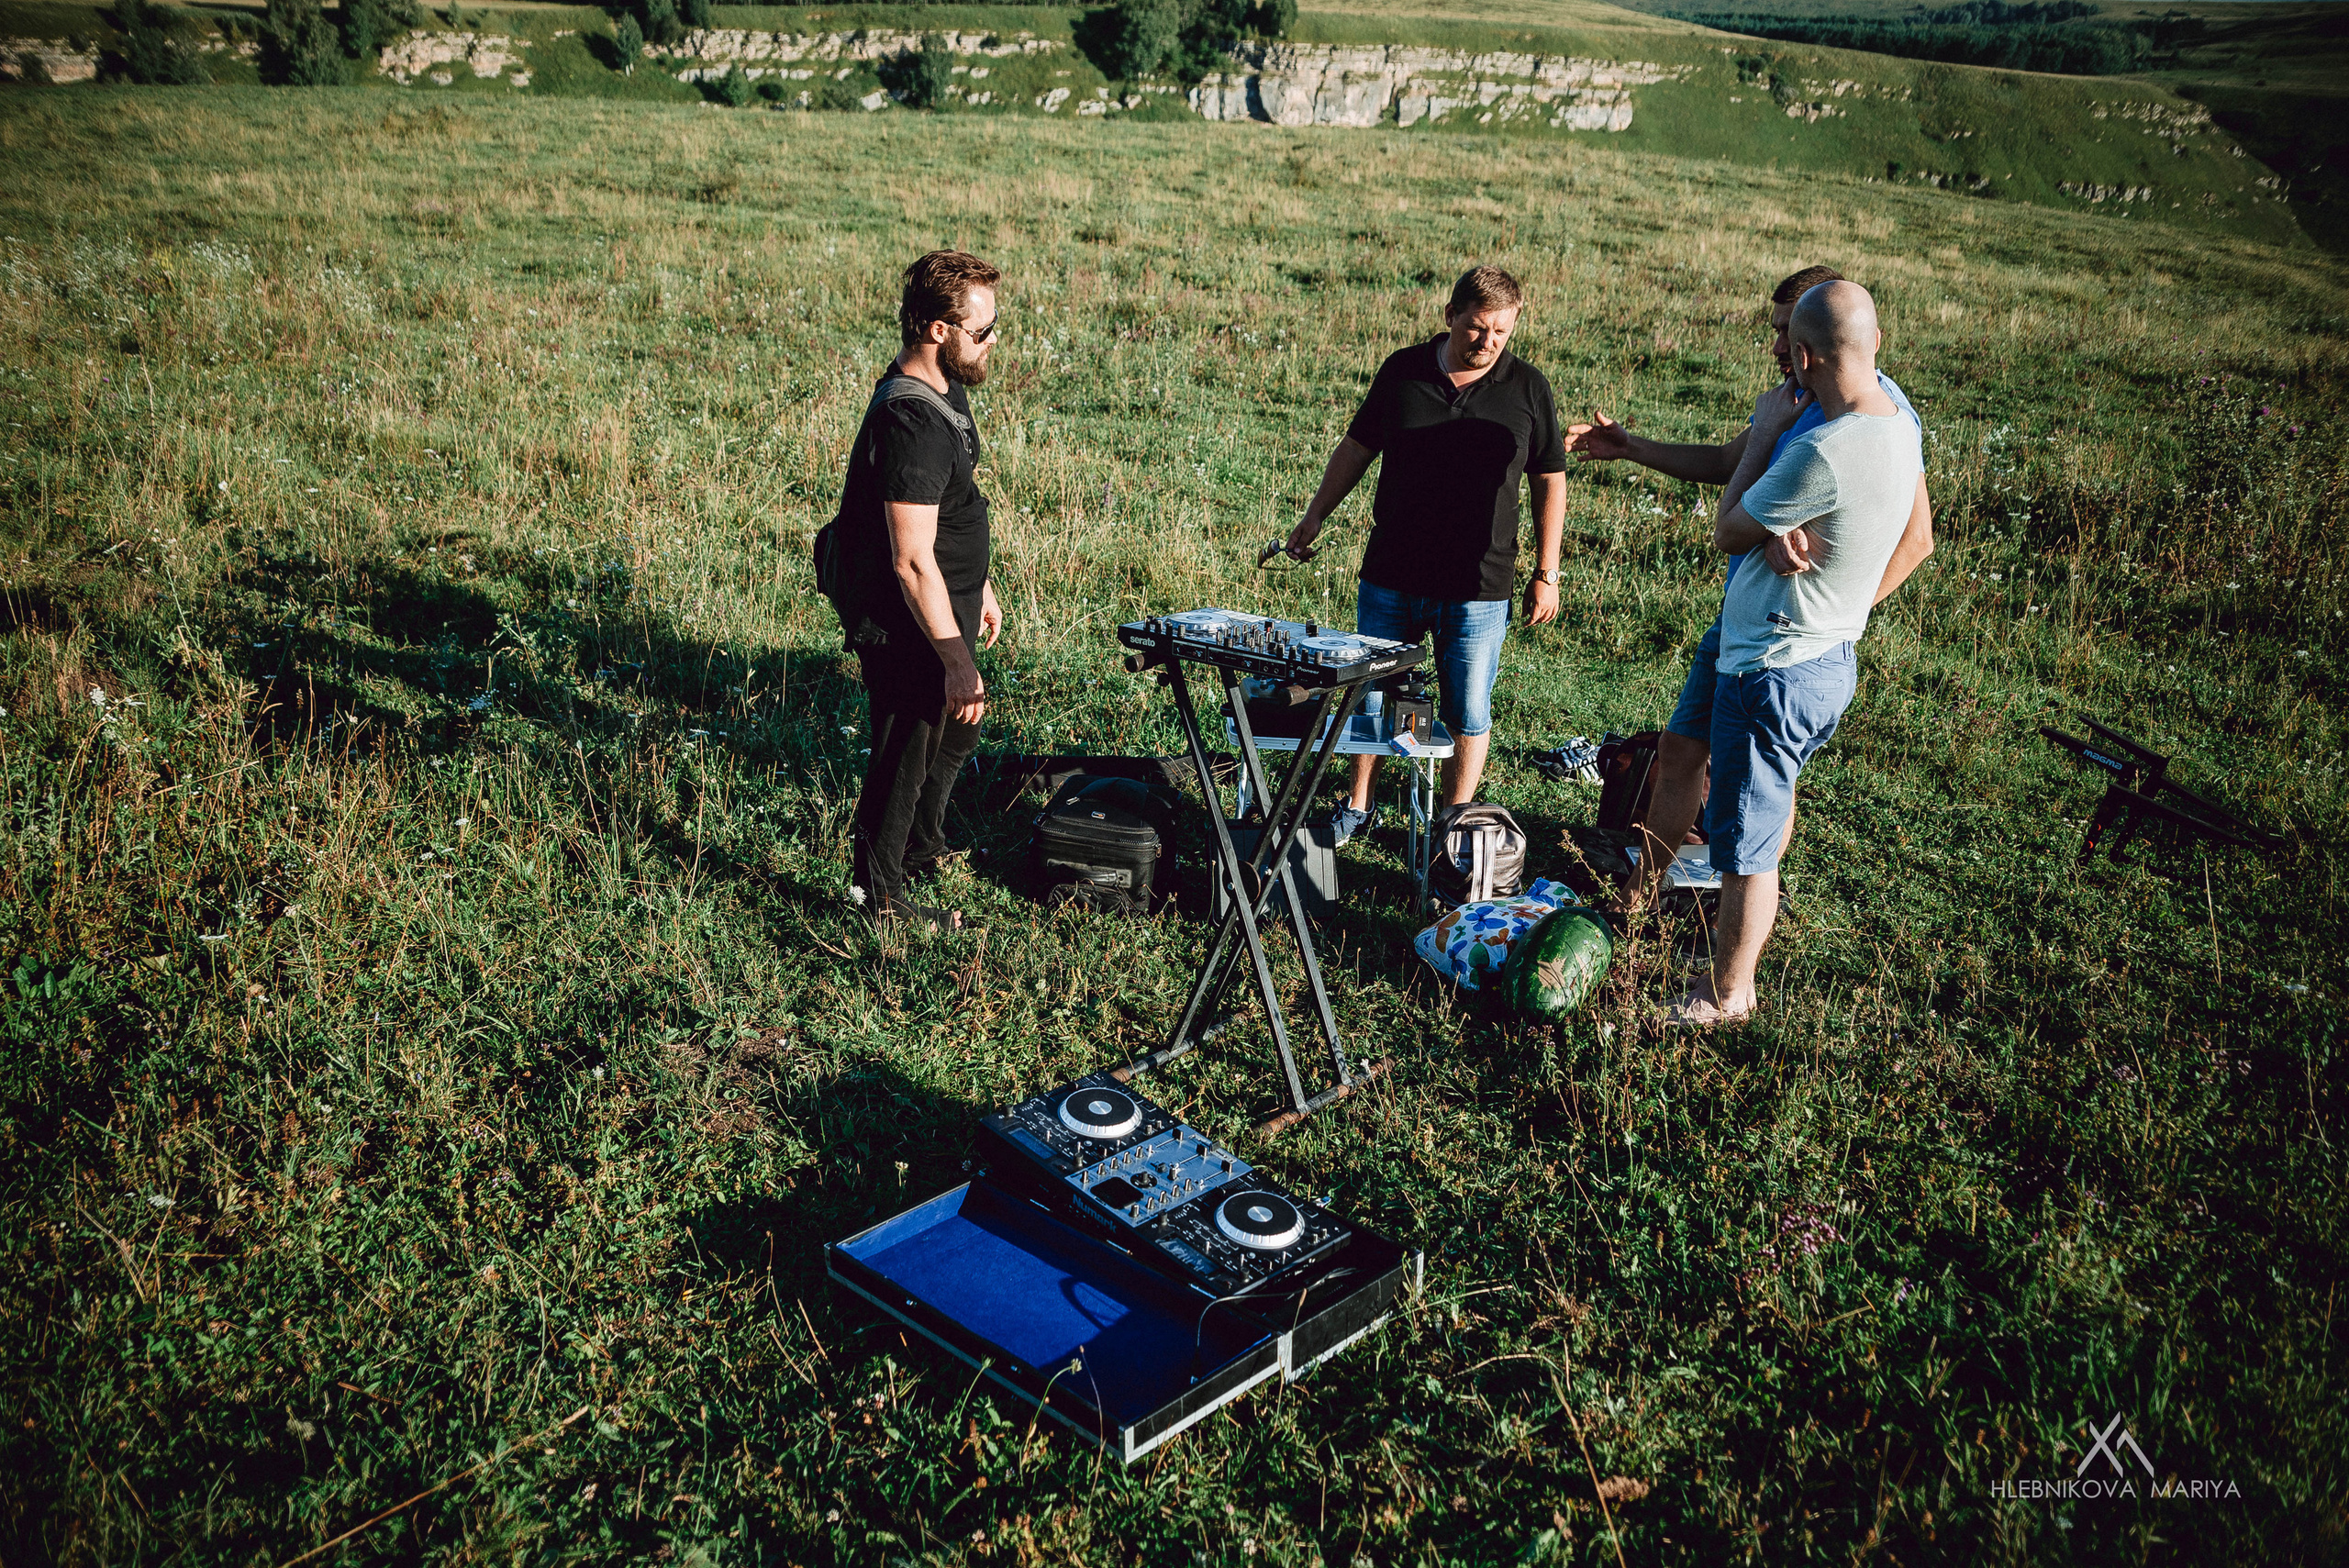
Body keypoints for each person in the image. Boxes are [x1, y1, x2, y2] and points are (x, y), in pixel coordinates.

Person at [1565, 264, 1934, 898]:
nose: (1774, 348)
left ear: (1816, 340)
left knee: (1766, 788)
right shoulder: (1799, 397)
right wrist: (1633, 448)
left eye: (1785, 332)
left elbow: (1917, 537)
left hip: (1786, 643)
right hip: (1740, 622)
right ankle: (1640, 894)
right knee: (1682, 749)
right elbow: (1730, 462)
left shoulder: (1874, 411)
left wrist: (1835, 615)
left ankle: (1739, 920)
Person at [1673, 281, 1923, 1023]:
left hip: (1774, 667)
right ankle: (1730, 960)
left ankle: (1727, 994)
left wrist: (1760, 434)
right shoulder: (1898, 426)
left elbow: (1726, 527)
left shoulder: (1821, 447)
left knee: (1746, 847)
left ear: (1807, 355)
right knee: (1762, 816)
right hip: (1829, 657)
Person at [1281, 266, 1568, 841]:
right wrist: (1315, 514)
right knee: (1370, 698)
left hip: (1478, 586)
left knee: (1467, 710)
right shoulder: (1403, 371)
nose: (1487, 342)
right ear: (1450, 317)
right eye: (1476, 328)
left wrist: (1547, 571)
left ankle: (1453, 823)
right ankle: (1359, 806)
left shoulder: (1529, 389)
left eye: (1501, 333)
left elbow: (1550, 478)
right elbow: (1358, 445)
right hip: (1392, 573)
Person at [832, 250, 1004, 931]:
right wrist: (955, 659)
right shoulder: (911, 425)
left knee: (957, 726)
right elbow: (910, 562)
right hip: (909, 617)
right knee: (905, 747)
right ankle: (881, 898)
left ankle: (923, 845)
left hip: (948, 601)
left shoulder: (944, 385)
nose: (994, 342)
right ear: (937, 329)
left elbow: (955, 504)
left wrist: (981, 582)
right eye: (982, 330)